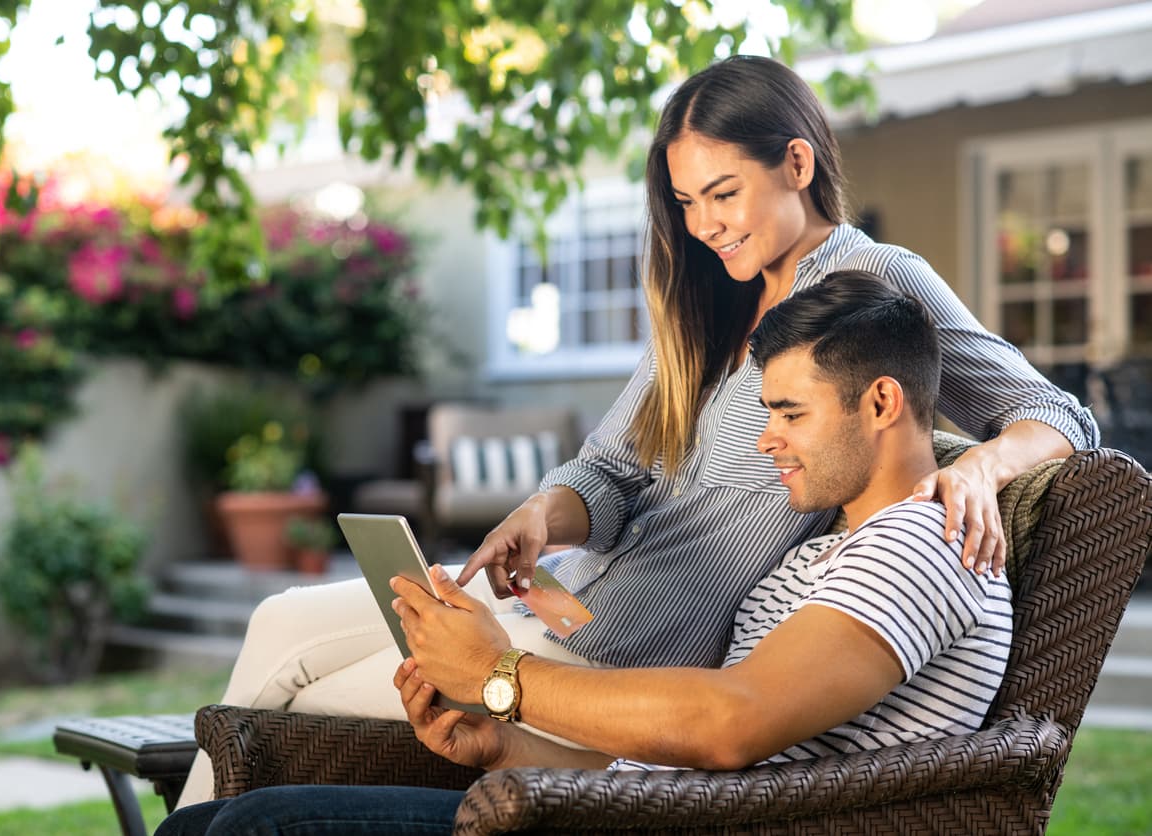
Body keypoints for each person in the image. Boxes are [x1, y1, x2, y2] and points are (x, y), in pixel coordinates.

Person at [174, 55, 1097, 808]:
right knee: (277, 619)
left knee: (292, 702)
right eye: (687, 204)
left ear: (799, 164)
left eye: (723, 194)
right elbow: (612, 469)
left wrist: (984, 463)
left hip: (619, 657)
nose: (703, 228)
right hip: (554, 600)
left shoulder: (877, 284)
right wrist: (545, 514)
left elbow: (1060, 415)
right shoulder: (710, 308)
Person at [158, 272, 1014, 835]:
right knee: (201, 827)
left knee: (249, 828)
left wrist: (500, 674)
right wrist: (503, 745)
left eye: (790, 414)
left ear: (882, 402)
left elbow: (730, 725)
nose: (766, 441)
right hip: (615, 807)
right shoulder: (829, 549)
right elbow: (682, 764)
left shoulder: (924, 544)